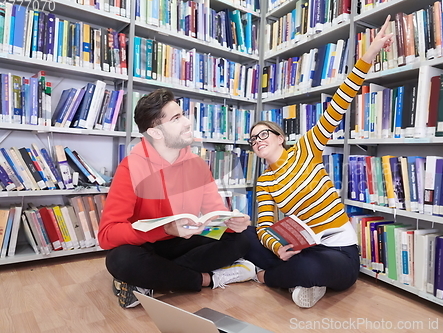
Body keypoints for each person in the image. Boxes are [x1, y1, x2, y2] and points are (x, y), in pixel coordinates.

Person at [242, 16, 394, 308]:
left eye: (263, 134)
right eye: (252, 140)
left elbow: (340, 102)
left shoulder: (306, 148)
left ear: (279, 137)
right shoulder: (264, 181)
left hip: (337, 251)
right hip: (302, 248)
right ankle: (290, 278)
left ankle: (265, 277)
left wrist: (369, 55)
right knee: (245, 237)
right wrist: (277, 246)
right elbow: (263, 226)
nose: (258, 140)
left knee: (309, 269)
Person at [98, 88, 256, 309]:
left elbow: (215, 214)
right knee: (120, 260)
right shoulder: (131, 168)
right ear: (156, 133)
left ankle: (149, 281)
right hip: (146, 245)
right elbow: (107, 235)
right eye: (176, 118)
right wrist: (163, 230)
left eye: (182, 114)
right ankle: (209, 279)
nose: (187, 122)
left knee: (244, 238)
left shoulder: (198, 165)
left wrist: (231, 223)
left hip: (184, 240)